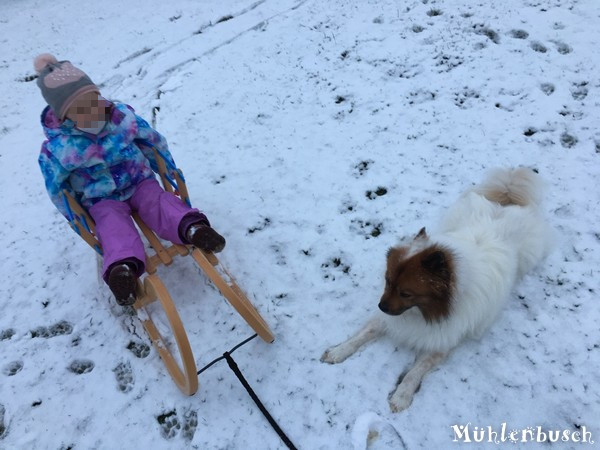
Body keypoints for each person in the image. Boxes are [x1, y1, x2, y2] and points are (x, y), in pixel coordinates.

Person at [34, 54, 226, 306]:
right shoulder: (59, 148)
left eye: (94, 101)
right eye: (81, 109)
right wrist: (76, 216)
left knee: (158, 202)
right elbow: (57, 187)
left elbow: (152, 141)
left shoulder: (121, 119)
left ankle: (192, 228)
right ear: (64, 116)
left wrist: (166, 170)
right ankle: (122, 269)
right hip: (100, 197)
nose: (92, 111)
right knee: (112, 225)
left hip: (138, 181)